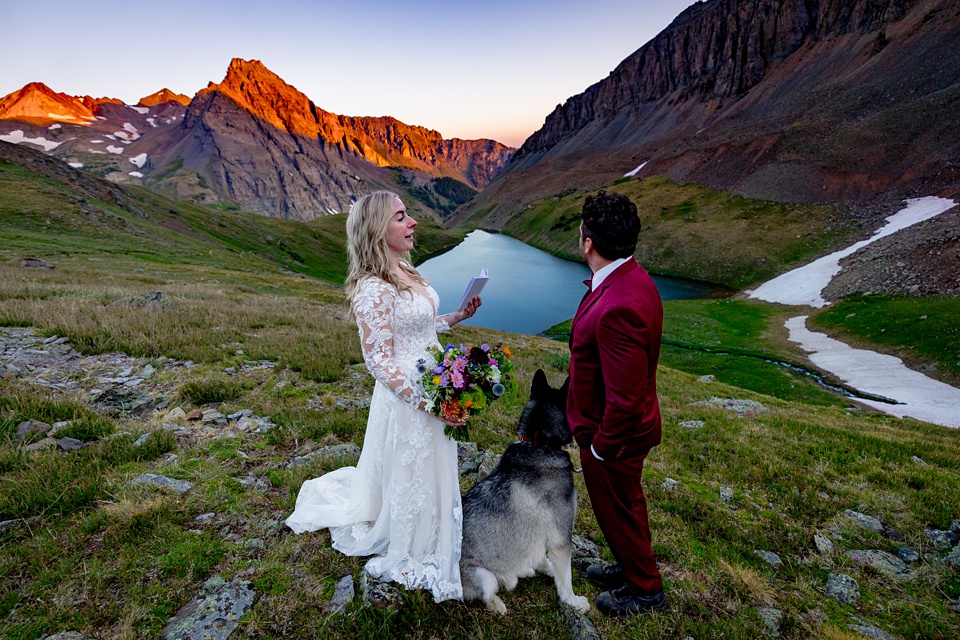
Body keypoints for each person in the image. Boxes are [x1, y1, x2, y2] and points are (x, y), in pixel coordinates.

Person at [285, 190, 481, 603]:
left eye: (408, 215)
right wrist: (430, 403)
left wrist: (457, 317)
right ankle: (411, 539)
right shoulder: (373, 289)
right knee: (412, 469)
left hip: (433, 382)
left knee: (429, 468)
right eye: (401, 217)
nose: (412, 223)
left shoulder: (405, 269)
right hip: (410, 397)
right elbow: (379, 360)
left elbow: (419, 327)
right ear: (378, 230)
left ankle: (431, 527)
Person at [565, 190, 667, 617]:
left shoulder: (618, 305)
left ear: (588, 243)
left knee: (621, 507)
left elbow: (624, 401)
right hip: (615, 431)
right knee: (622, 505)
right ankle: (630, 568)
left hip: (613, 437)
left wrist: (600, 447)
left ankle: (645, 590)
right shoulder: (630, 278)